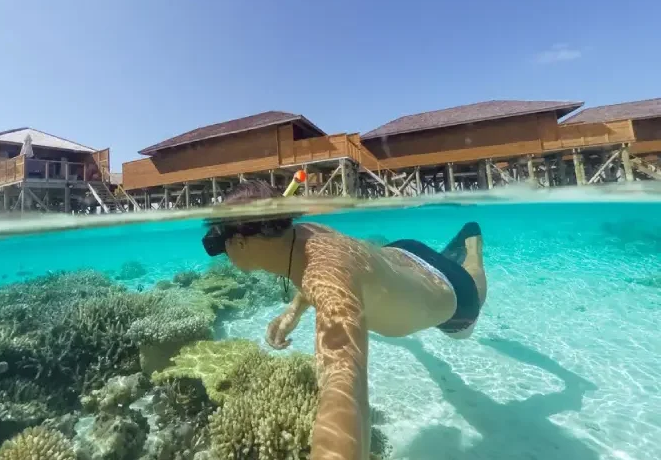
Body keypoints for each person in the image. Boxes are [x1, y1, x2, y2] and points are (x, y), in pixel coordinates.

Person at [201, 179, 487, 460]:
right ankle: (455, 253)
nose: (222, 252)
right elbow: (324, 273)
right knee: (430, 264)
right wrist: (293, 311)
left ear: (239, 241)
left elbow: (346, 386)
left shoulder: (324, 275)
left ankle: (472, 246)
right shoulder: (305, 232)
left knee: (468, 306)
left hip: (454, 293)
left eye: (221, 242)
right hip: (404, 252)